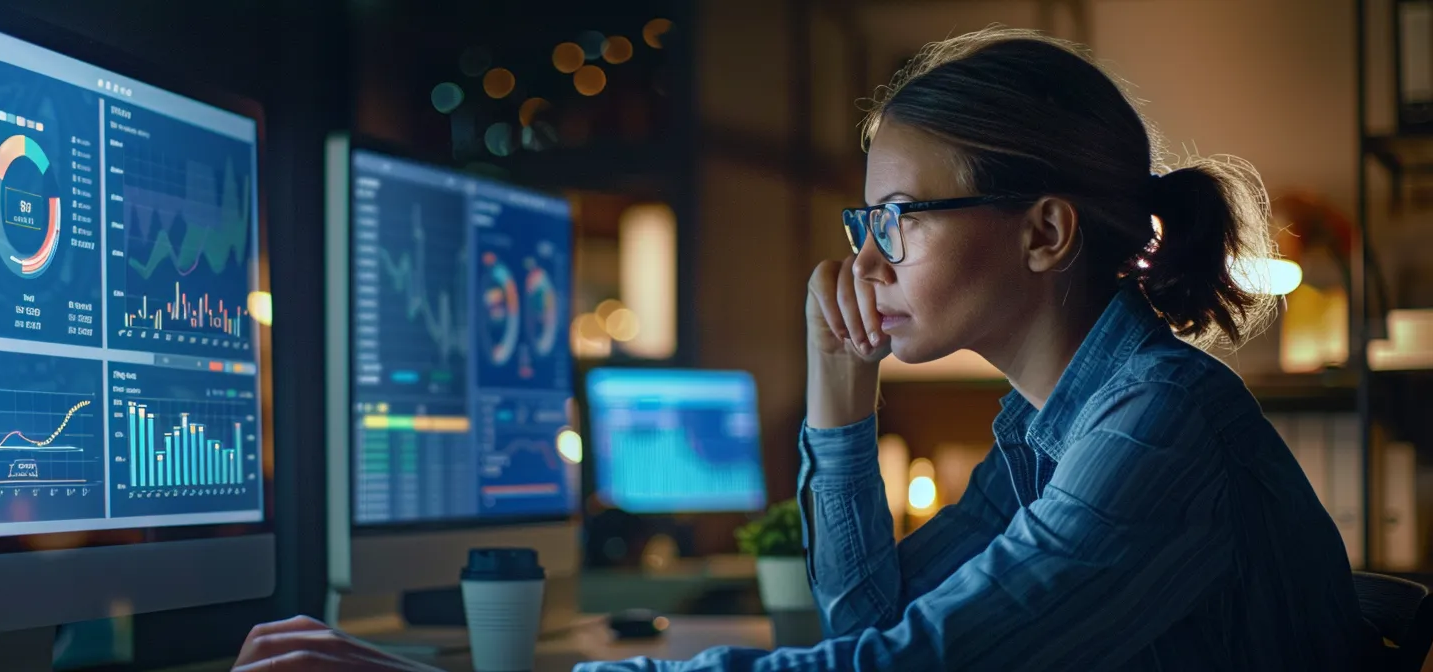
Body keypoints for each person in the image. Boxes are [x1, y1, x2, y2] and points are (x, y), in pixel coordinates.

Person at [231, 27, 1378, 672]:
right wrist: (839, 416)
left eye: (898, 221)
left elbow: (892, 671)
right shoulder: (1048, 431)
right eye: (862, 223)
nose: (867, 258)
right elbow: (868, 624)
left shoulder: (1155, 423)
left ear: (1043, 232)